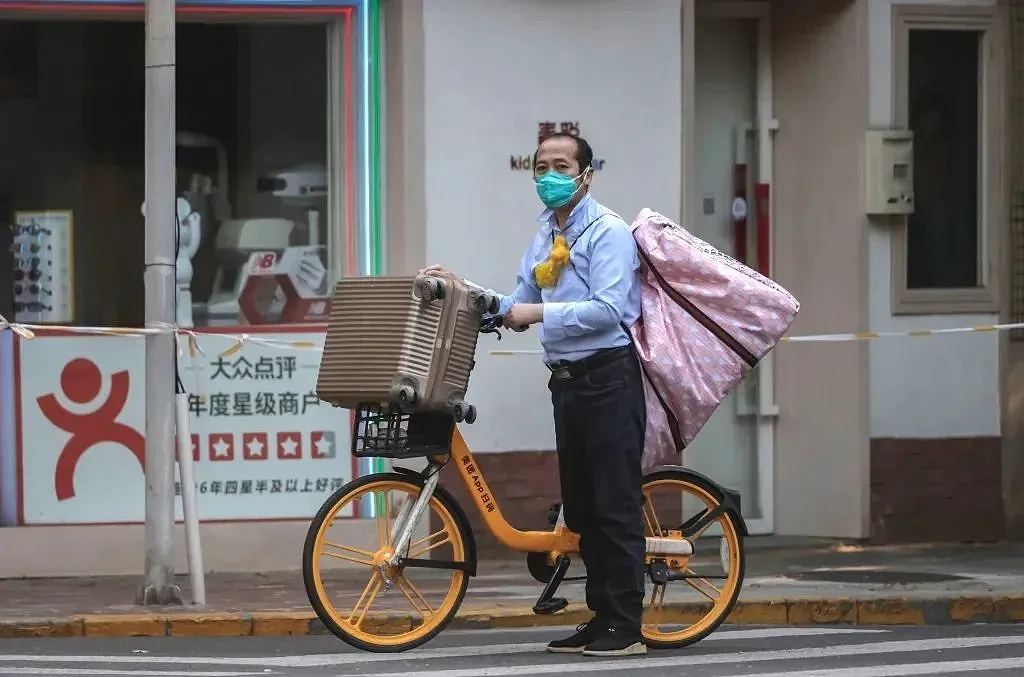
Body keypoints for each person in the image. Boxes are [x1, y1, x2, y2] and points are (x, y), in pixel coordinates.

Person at [422, 133, 647, 658]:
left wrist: (540, 314)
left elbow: (611, 309)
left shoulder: (608, 232)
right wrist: (463, 288)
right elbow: (515, 303)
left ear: (586, 174)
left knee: (614, 506)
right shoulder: (545, 236)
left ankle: (625, 624)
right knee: (584, 511)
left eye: (561, 165)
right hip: (567, 383)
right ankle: (600, 617)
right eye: (541, 166)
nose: (549, 175)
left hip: (609, 378)